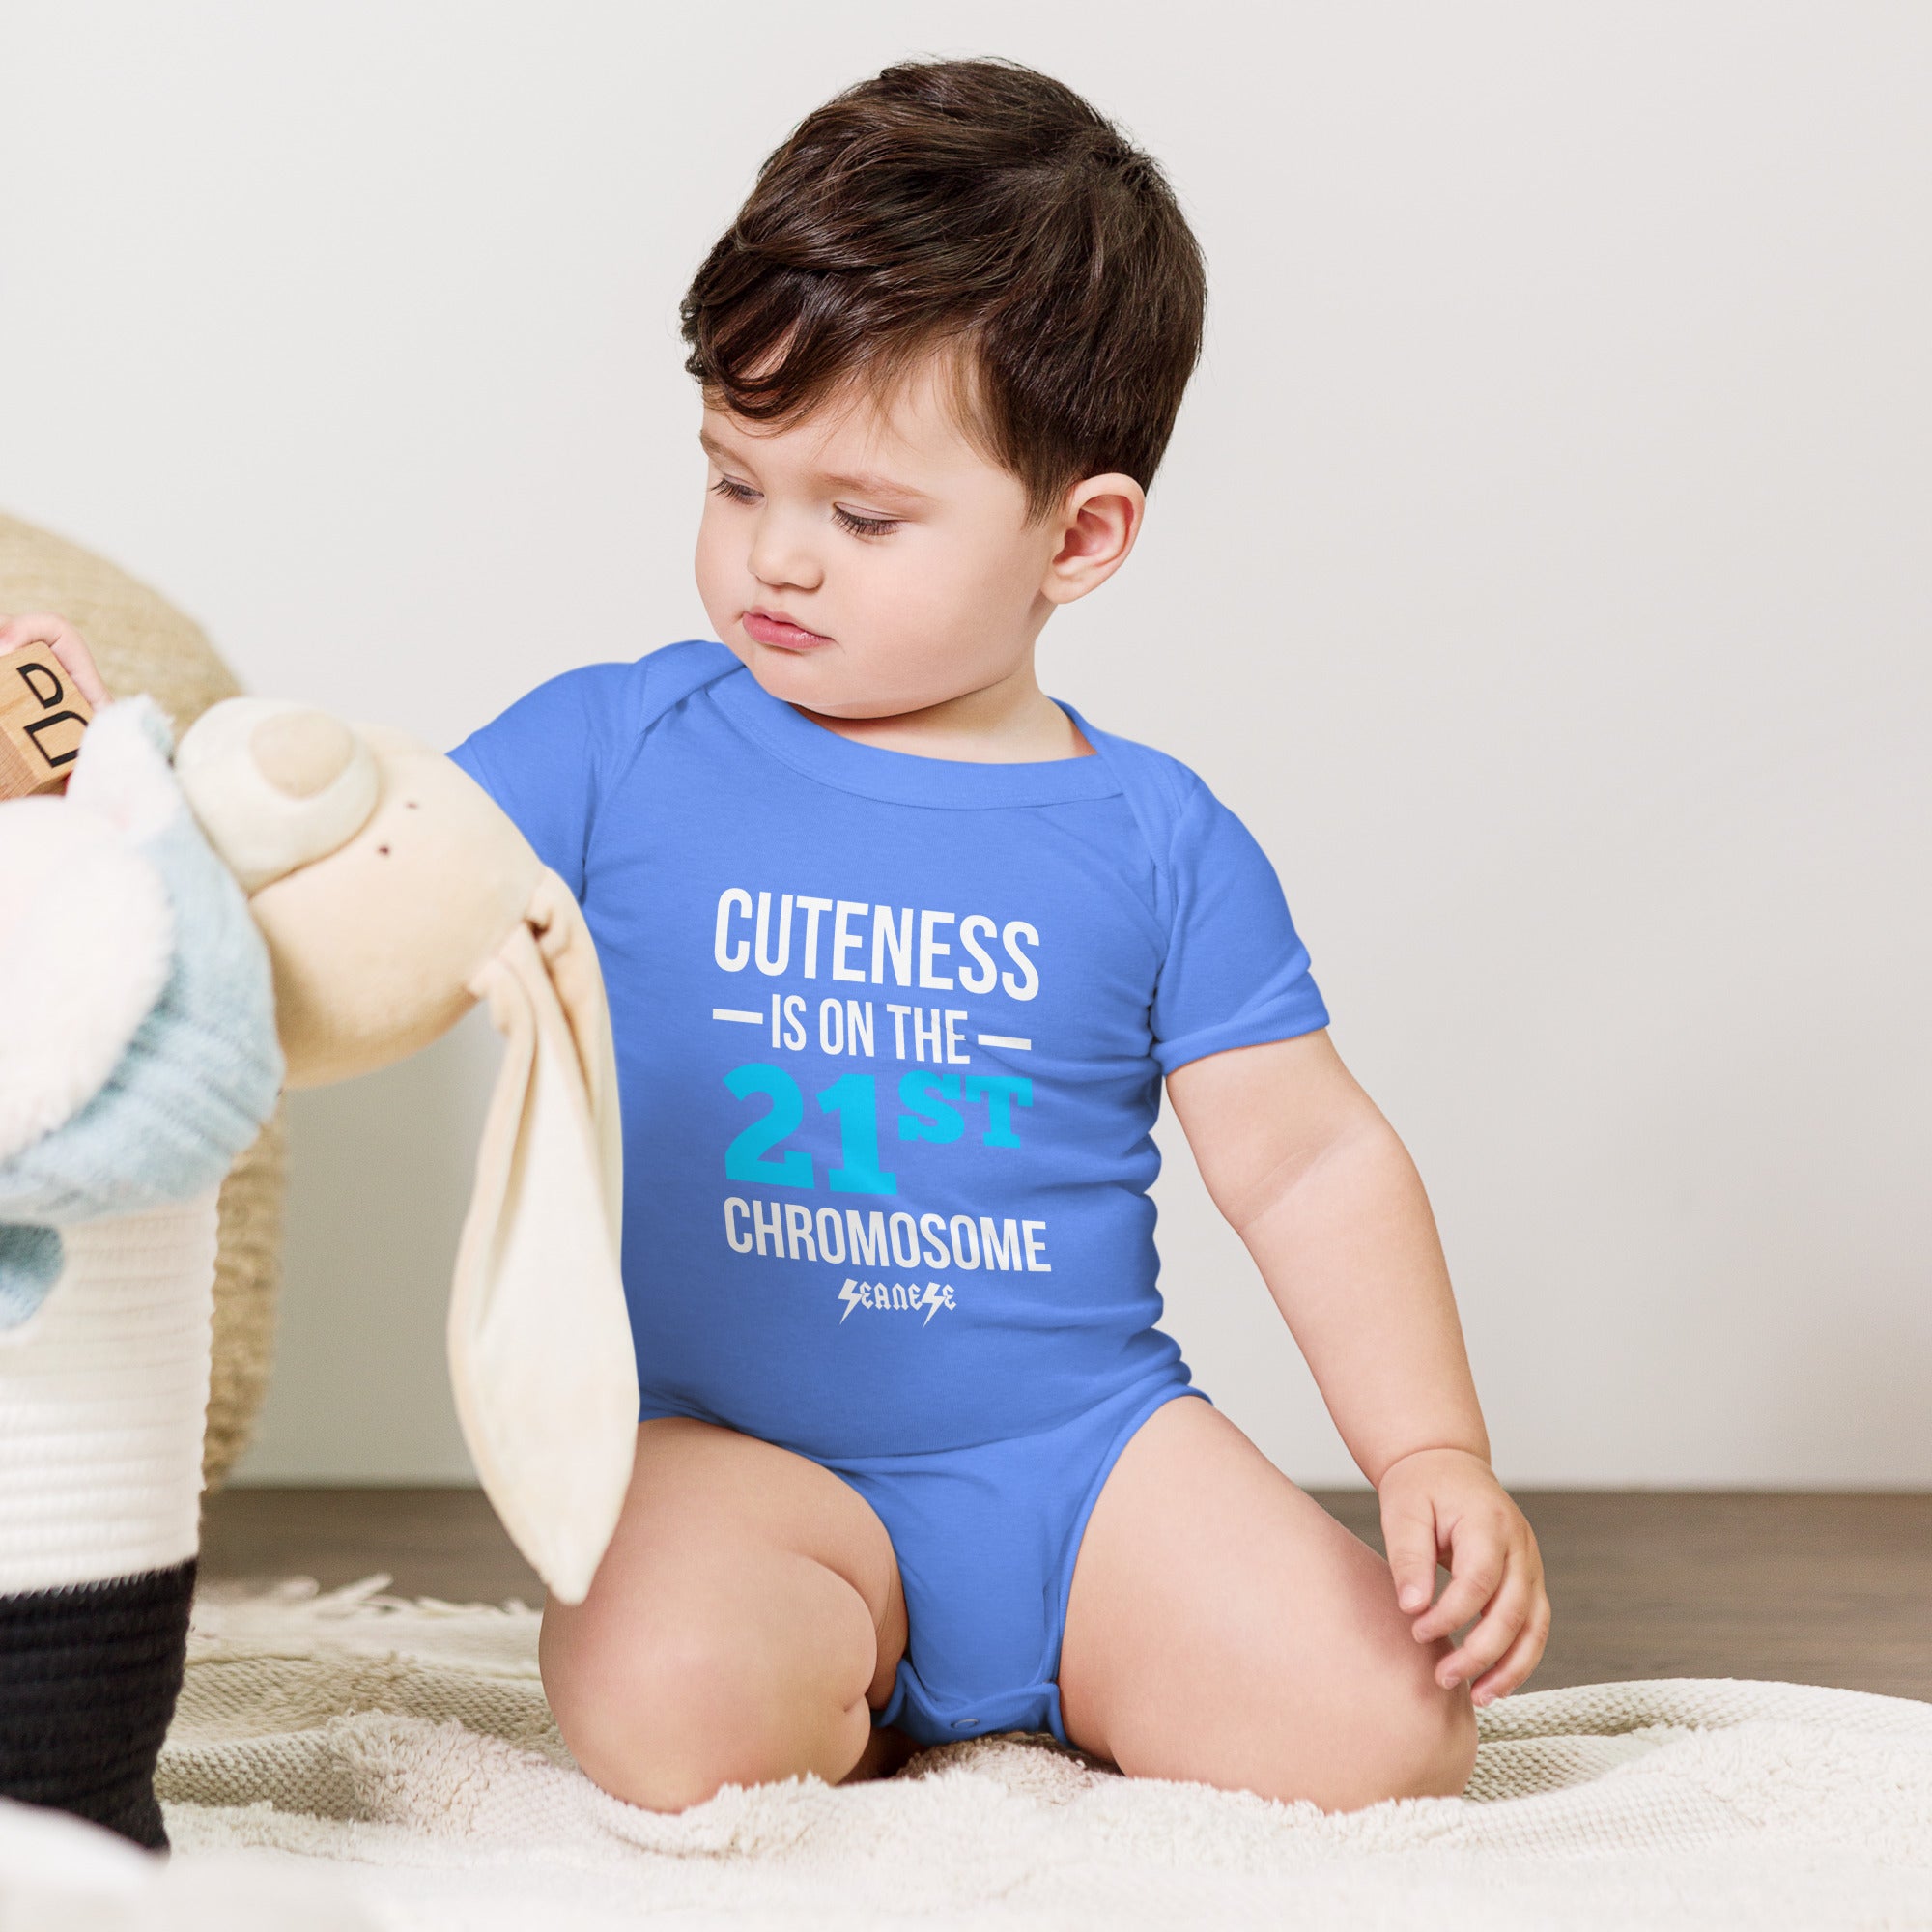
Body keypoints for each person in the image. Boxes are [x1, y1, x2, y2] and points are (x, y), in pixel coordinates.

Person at [6, 53, 1549, 1817]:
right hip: (739, 1462)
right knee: (665, 1707)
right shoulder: (618, 748)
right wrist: (120, 825)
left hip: (1079, 1463)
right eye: (737, 483)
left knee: (1391, 1735)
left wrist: (1428, 1448)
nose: (776, 561)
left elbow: (1310, 1164)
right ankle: (846, 1677)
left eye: (862, 516)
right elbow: (366, 888)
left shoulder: (1157, 838)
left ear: (1081, 535)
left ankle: (1043, 1671)